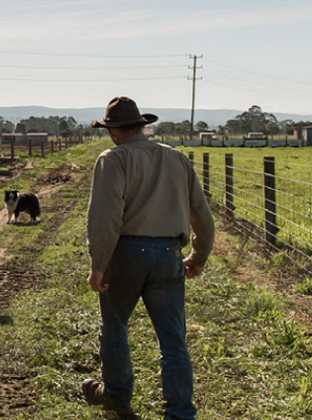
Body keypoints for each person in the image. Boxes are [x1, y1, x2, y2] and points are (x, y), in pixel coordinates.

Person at [80, 97, 214, 419]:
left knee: (114, 327)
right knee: (173, 341)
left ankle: (116, 395)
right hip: (169, 254)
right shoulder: (176, 158)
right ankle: (180, 412)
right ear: (140, 125)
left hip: (124, 255)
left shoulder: (112, 159)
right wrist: (199, 255)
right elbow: (201, 212)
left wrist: (98, 265)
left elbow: (105, 217)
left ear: (114, 130)